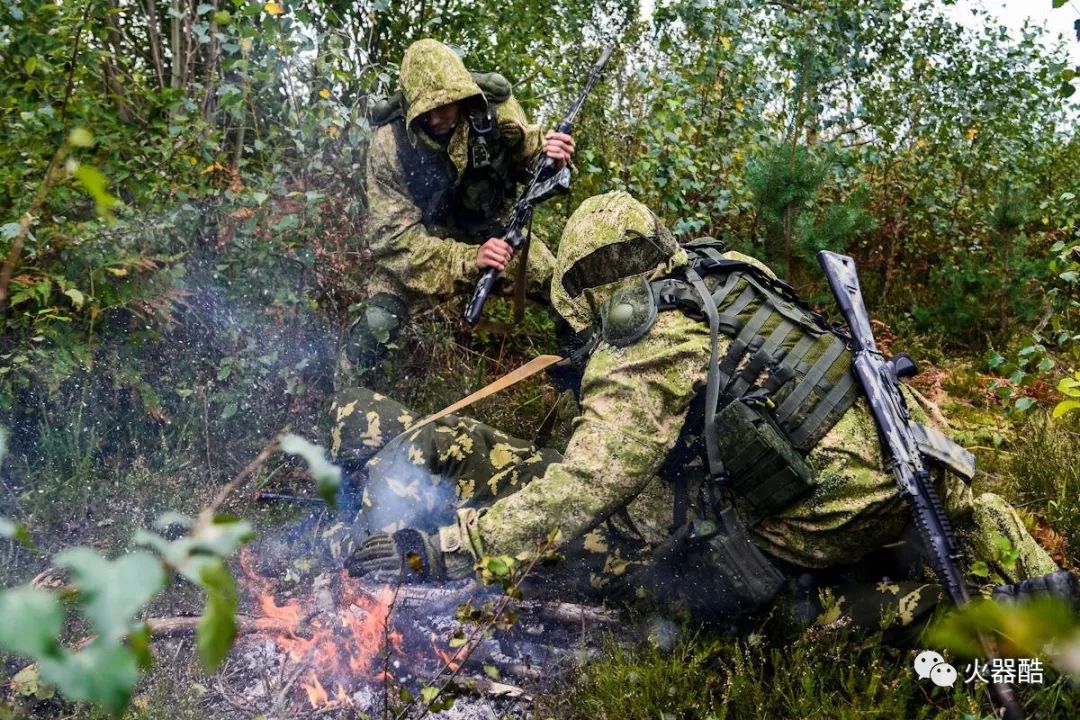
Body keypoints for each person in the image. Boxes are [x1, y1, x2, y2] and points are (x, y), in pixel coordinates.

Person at [332, 191, 1075, 628]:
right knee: (945, 512)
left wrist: (456, 548)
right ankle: (1041, 586)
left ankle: (937, 616)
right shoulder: (726, 274)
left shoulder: (643, 342)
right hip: (912, 453)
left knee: (719, 599)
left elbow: (591, 483)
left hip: (825, 516)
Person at [345, 39, 575, 378]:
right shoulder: (389, 146)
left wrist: (554, 160)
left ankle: (584, 388)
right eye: (426, 110)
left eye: (446, 105)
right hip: (425, 244)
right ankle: (348, 408)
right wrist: (468, 260)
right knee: (374, 327)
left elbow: (532, 161)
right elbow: (395, 244)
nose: (437, 118)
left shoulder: (495, 111)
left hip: (493, 235)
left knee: (567, 293)